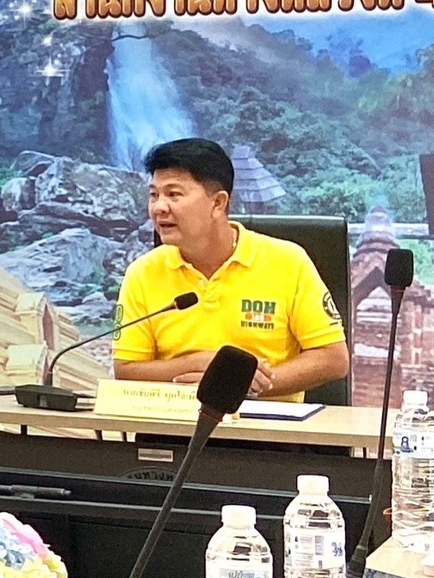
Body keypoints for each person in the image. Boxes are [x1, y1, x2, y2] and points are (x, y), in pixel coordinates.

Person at [113, 138, 350, 400]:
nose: (159, 207)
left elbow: (333, 358)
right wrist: (197, 364)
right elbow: (126, 369)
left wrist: (241, 384)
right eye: (154, 195)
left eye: (174, 194)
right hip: (175, 420)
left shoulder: (288, 261)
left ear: (218, 203)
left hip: (265, 421)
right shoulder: (142, 273)